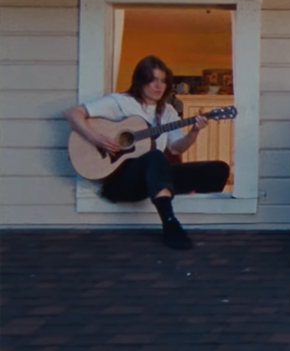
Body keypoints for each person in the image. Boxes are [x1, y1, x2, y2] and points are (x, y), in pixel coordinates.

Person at [64, 55, 230, 250]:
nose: (159, 86)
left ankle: (199, 221)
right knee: (154, 156)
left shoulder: (167, 111)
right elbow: (72, 114)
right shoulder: (119, 102)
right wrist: (97, 139)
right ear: (140, 81)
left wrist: (194, 131)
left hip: (152, 177)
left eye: (163, 81)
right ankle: (169, 221)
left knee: (217, 169)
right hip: (121, 182)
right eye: (153, 80)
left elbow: (176, 147)